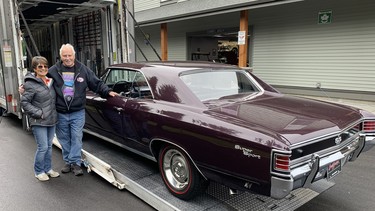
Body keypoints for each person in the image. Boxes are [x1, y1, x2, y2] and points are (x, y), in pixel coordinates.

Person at [47, 43, 118, 176]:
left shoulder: (82, 70)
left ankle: (75, 163)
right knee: (64, 138)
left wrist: (107, 92)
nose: (67, 58)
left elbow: (96, 83)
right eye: (64, 55)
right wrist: (25, 86)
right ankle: (68, 161)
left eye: (70, 55)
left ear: (74, 55)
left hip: (77, 112)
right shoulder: (53, 71)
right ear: (60, 56)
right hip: (61, 112)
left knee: (76, 137)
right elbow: (39, 81)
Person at [20, 56, 60, 181]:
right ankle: (38, 171)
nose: (43, 68)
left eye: (45, 66)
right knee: (42, 147)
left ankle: (48, 169)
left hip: (51, 120)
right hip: (39, 121)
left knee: (48, 146)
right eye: (40, 66)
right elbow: (24, 102)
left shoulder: (50, 81)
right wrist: (39, 113)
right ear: (34, 69)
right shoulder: (30, 84)